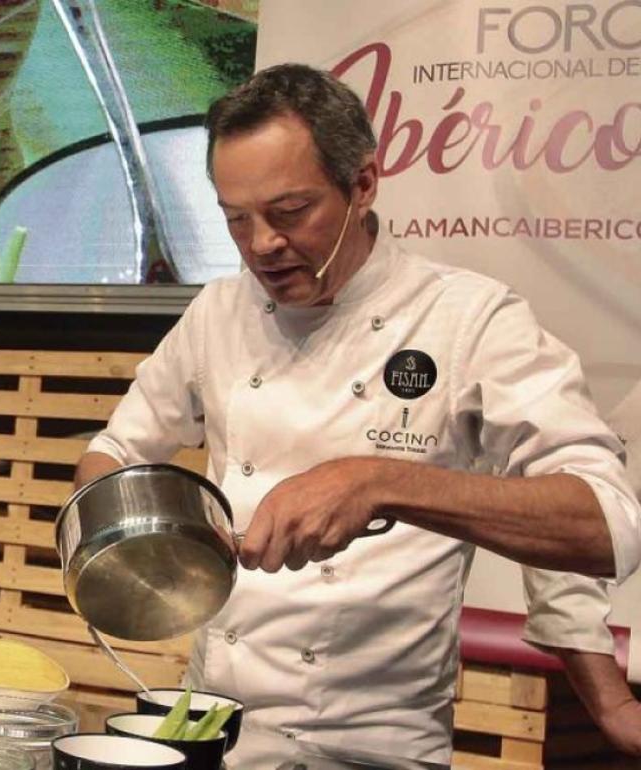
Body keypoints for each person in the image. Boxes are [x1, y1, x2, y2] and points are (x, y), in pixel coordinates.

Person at [74, 63, 641, 762]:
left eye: (289, 213)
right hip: (213, 727)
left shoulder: (467, 319)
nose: (261, 246)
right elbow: (116, 453)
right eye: (236, 220)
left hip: (370, 745)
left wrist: (380, 481)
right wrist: (136, 544)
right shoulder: (217, 312)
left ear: (364, 183)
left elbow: (606, 522)